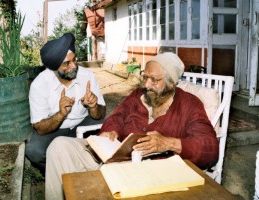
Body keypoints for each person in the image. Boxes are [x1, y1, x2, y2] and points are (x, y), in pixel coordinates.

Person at [45, 52, 219, 199]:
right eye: (145, 77)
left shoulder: (189, 105)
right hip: (114, 153)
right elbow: (118, 116)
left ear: (171, 83)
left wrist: (168, 143)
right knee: (59, 146)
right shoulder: (138, 95)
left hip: (147, 171)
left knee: (105, 175)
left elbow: (210, 149)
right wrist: (109, 130)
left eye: (154, 80)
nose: (147, 84)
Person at [25, 32, 106, 173]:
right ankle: (60, 175)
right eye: (66, 64)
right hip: (55, 129)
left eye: (74, 60)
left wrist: (93, 106)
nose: (73, 66)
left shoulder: (87, 76)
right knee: (34, 151)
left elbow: (101, 114)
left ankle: (93, 171)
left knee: (109, 132)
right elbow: (39, 128)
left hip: (83, 123)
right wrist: (60, 114)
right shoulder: (39, 85)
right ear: (53, 67)